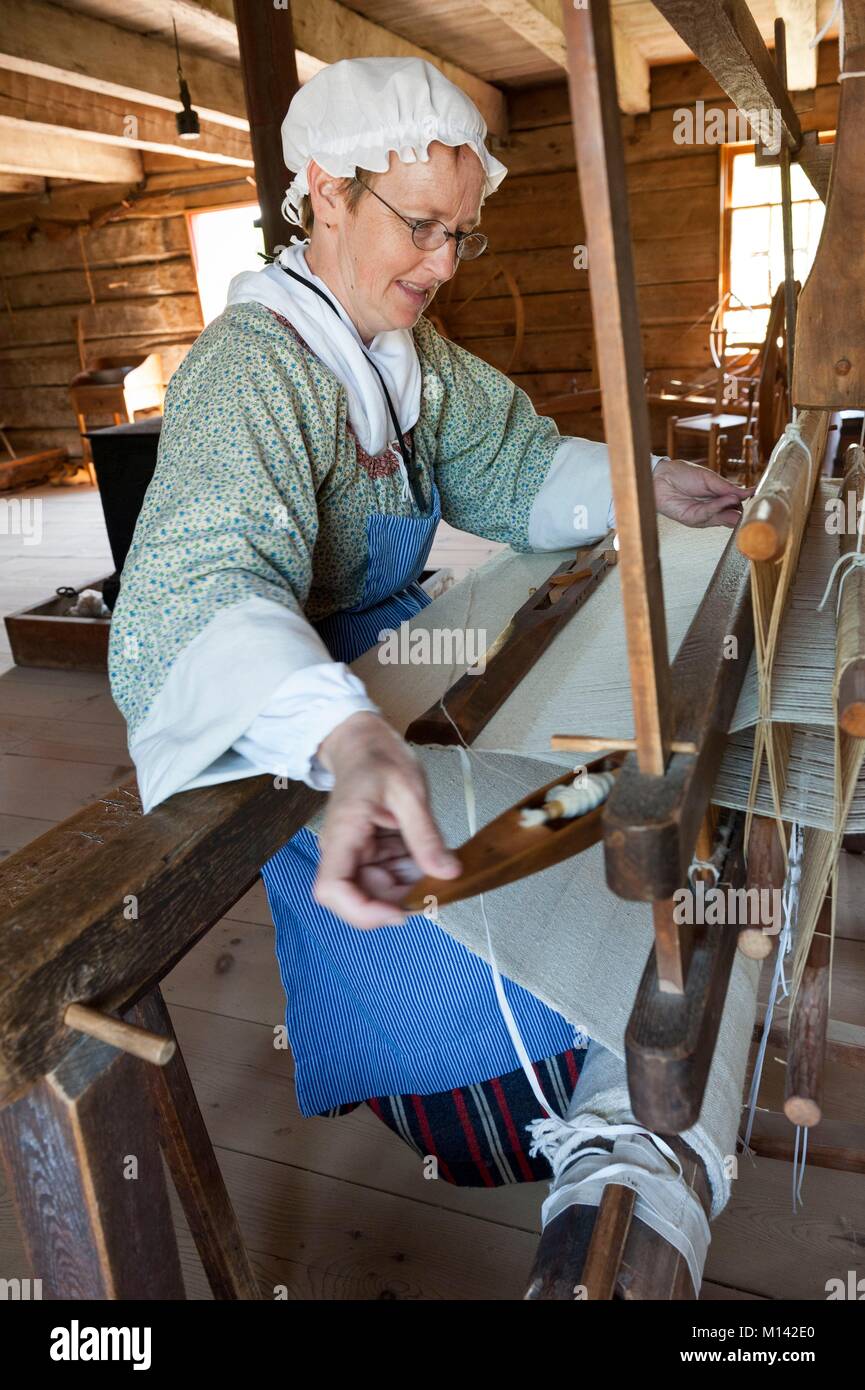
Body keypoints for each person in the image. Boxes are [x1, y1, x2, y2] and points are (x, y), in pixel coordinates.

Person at [109, 57, 751, 1184]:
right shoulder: (251, 371)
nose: (443, 262)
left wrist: (640, 484)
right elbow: (199, 586)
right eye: (420, 226)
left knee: (584, 828)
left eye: (462, 234)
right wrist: (346, 735)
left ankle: (623, 1043)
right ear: (327, 188)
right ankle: (528, 1119)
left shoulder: (405, 362)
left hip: (400, 669)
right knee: (472, 921)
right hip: (299, 714)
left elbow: (505, 463)